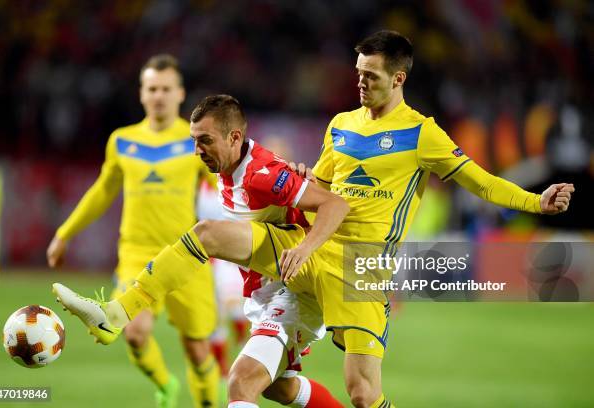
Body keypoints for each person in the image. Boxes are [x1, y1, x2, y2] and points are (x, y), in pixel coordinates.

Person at [53, 31, 575, 407]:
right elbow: (321, 190)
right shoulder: (341, 124)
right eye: (357, 74)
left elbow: (480, 181)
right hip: (307, 250)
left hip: (362, 267)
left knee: (363, 394)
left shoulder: (424, 133)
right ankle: (117, 313)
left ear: (397, 78)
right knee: (211, 239)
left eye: (371, 77)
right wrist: (298, 187)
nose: (361, 84)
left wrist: (535, 202)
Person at [53, 95, 347, 408]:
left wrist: (304, 248)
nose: (197, 151)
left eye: (205, 141)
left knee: (240, 381)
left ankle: (117, 313)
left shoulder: (260, 174)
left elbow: (335, 205)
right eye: (194, 141)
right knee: (280, 389)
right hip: (268, 286)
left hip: (295, 287)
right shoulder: (230, 166)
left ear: (234, 137)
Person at [46, 54, 220, 408]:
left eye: (166, 89)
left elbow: (223, 187)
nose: (159, 95)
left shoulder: (196, 141)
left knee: (198, 348)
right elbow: (102, 191)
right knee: (135, 334)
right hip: (137, 254)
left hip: (187, 256)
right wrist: (64, 233)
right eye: (152, 88)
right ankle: (164, 384)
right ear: (142, 94)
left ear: (180, 93)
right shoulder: (122, 141)